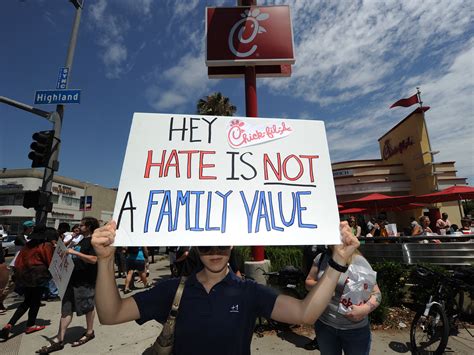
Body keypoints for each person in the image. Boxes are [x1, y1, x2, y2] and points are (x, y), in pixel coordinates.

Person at [91, 221, 359, 355]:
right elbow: (111, 314)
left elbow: (304, 313)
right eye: (206, 245)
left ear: (232, 245)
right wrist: (105, 261)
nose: (215, 252)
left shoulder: (249, 291)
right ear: (195, 247)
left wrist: (337, 262)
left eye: (222, 244)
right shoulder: (172, 290)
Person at [36, 217, 99, 354]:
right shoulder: (81, 239)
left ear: (88, 227)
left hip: (85, 282)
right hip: (71, 279)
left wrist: (74, 252)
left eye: (82, 225)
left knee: (88, 307)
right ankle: (59, 339)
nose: (78, 227)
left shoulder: (93, 241)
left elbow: (94, 260)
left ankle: (89, 332)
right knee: (66, 309)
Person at [305, 248, 381, 354]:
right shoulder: (321, 258)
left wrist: (364, 309)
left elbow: (376, 294)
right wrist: (323, 287)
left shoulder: (358, 261)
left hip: (355, 330)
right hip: (324, 326)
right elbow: (308, 283)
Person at [0, 226, 55, 341]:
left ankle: (9, 324)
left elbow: (18, 261)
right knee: (34, 302)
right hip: (39, 277)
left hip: (25, 277)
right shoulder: (46, 246)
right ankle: (30, 325)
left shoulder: (27, 245)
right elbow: (50, 261)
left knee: (27, 302)